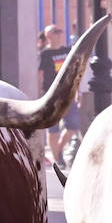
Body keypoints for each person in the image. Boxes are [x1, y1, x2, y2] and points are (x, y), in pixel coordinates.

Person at [38, 24, 83, 163]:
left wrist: (78, 90)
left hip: (67, 92)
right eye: (55, 31)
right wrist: (39, 93)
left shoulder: (68, 50)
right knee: (53, 128)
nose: (58, 33)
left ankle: (58, 150)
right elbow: (40, 75)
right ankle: (58, 159)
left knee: (73, 125)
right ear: (48, 36)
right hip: (51, 95)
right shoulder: (44, 54)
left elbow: (75, 71)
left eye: (60, 31)